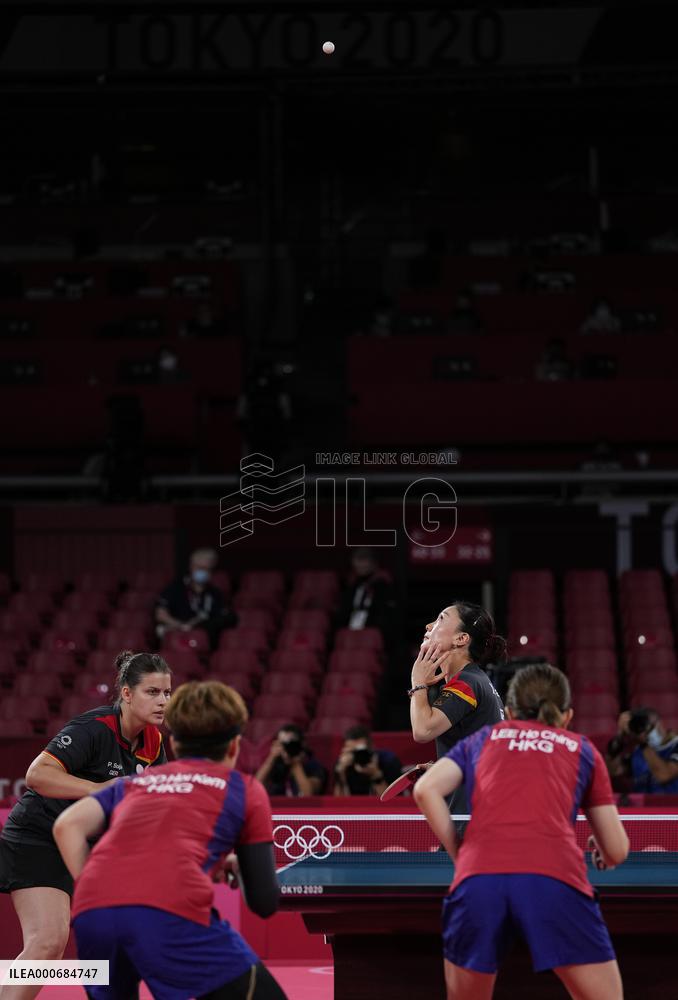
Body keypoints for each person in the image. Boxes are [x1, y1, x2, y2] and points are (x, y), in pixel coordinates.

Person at [53, 681, 286, 1000]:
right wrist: (244, 868)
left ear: (174, 744)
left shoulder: (136, 783)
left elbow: (67, 826)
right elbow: (264, 903)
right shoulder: (244, 788)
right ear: (234, 746)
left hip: (93, 914)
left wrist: (107, 890)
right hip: (166, 915)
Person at [414, 662, 629, 1000]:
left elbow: (425, 790)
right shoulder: (581, 748)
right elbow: (616, 851)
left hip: (478, 880)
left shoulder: (482, 739)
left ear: (509, 711)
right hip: (555, 880)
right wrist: (603, 851)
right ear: (567, 715)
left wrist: (460, 851)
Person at [0, 651, 170, 1000]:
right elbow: (37, 775)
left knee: (121, 941)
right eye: (152, 692)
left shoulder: (153, 743)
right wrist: (98, 792)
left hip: (87, 847)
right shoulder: (94, 728)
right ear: (126, 693)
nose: (162, 701)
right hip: (39, 836)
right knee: (47, 942)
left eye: (167, 693)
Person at [409, 601, 506, 823]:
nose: (428, 625)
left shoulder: (466, 683)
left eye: (441, 619)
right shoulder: (477, 681)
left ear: (461, 639)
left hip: (472, 819)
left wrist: (417, 682)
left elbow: (422, 731)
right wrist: (445, 766)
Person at [155, 547, 237, 650]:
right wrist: (182, 626)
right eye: (199, 568)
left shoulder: (215, 594)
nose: (203, 572)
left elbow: (221, 619)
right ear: (191, 566)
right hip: (179, 637)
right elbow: (161, 615)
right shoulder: (175, 589)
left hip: (205, 643)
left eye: (207, 569)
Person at [606, 707, 678, 794]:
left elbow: (664, 775)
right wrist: (619, 739)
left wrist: (643, 744)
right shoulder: (638, 750)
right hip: (641, 806)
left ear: (660, 723)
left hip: (670, 806)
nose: (646, 732)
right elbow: (614, 771)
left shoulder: (674, 745)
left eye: (650, 726)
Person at [255, 724, 326, 796]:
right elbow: (255, 788)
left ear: (302, 744)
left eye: (291, 744)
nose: (287, 748)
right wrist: (272, 757)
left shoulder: (313, 766)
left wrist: (295, 763)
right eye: (283, 744)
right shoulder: (276, 764)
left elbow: (307, 794)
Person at [338, 547, 396, 634]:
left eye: (364, 560)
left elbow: (385, 615)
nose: (361, 564)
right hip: (350, 631)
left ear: (374, 563)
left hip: (373, 632)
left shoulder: (383, 584)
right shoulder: (351, 585)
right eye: (358, 560)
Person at [333, 725, 402, 796]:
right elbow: (339, 802)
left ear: (372, 747)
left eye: (361, 751)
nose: (358, 756)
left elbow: (393, 802)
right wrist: (340, 774)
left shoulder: (389, 761)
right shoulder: (342, 764)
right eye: (353, 752)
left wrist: (376, 775)